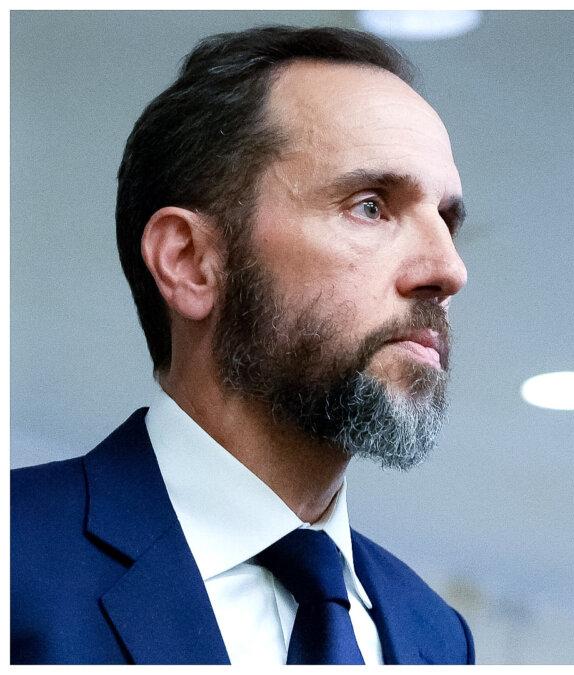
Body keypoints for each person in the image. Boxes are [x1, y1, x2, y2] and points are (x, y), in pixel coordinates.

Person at [12, 26, 474, 665]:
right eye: (371, 206)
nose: (448, 270)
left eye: (446, 221)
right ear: (191, 261)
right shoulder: (17, 559)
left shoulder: (437, 636)